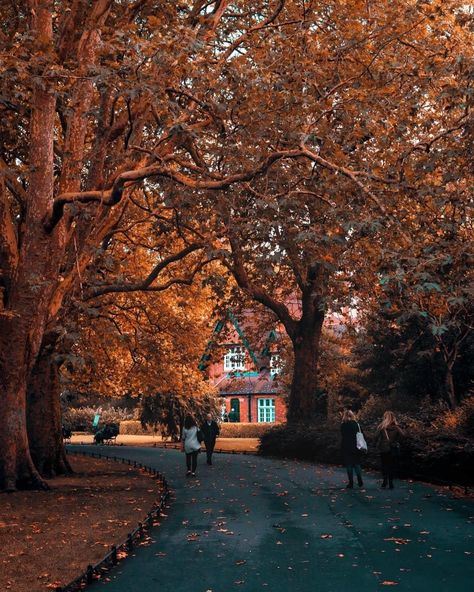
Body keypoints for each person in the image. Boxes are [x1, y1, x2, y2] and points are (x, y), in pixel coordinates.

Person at [375, 411, 404, 489]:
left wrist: (378, 444)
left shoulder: (381, 426)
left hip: (383, 449)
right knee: (391, 466)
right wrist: (396, 441)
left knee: (384, 465)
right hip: (392, 448)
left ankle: (385, 481)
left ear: (385, 418)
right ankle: (391, 483)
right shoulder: (396, 427)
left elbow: (375, 436)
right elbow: (402, 435)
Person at [340, 409, 364, 489]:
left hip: (346, 446)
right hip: (356, 446)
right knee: (357, 463)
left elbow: (342, 435)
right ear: (352, 415)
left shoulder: (343, 425)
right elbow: (362, 434)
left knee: (349, 464)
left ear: (345, 416)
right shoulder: (356, 424)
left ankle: (351, 483)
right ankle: (359, 479)